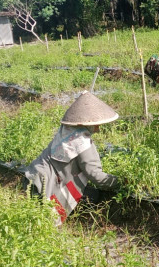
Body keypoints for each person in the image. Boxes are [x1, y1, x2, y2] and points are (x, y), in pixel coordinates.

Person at [22, 92, 120, 223]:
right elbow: (95, 175)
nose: (98, 129)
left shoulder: (66, 131)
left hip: (33, 176)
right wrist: (120, 182)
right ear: (87, 123)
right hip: (45, 185)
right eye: (96, 125)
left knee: (32, 221)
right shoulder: (82, 143)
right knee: (44, 225)